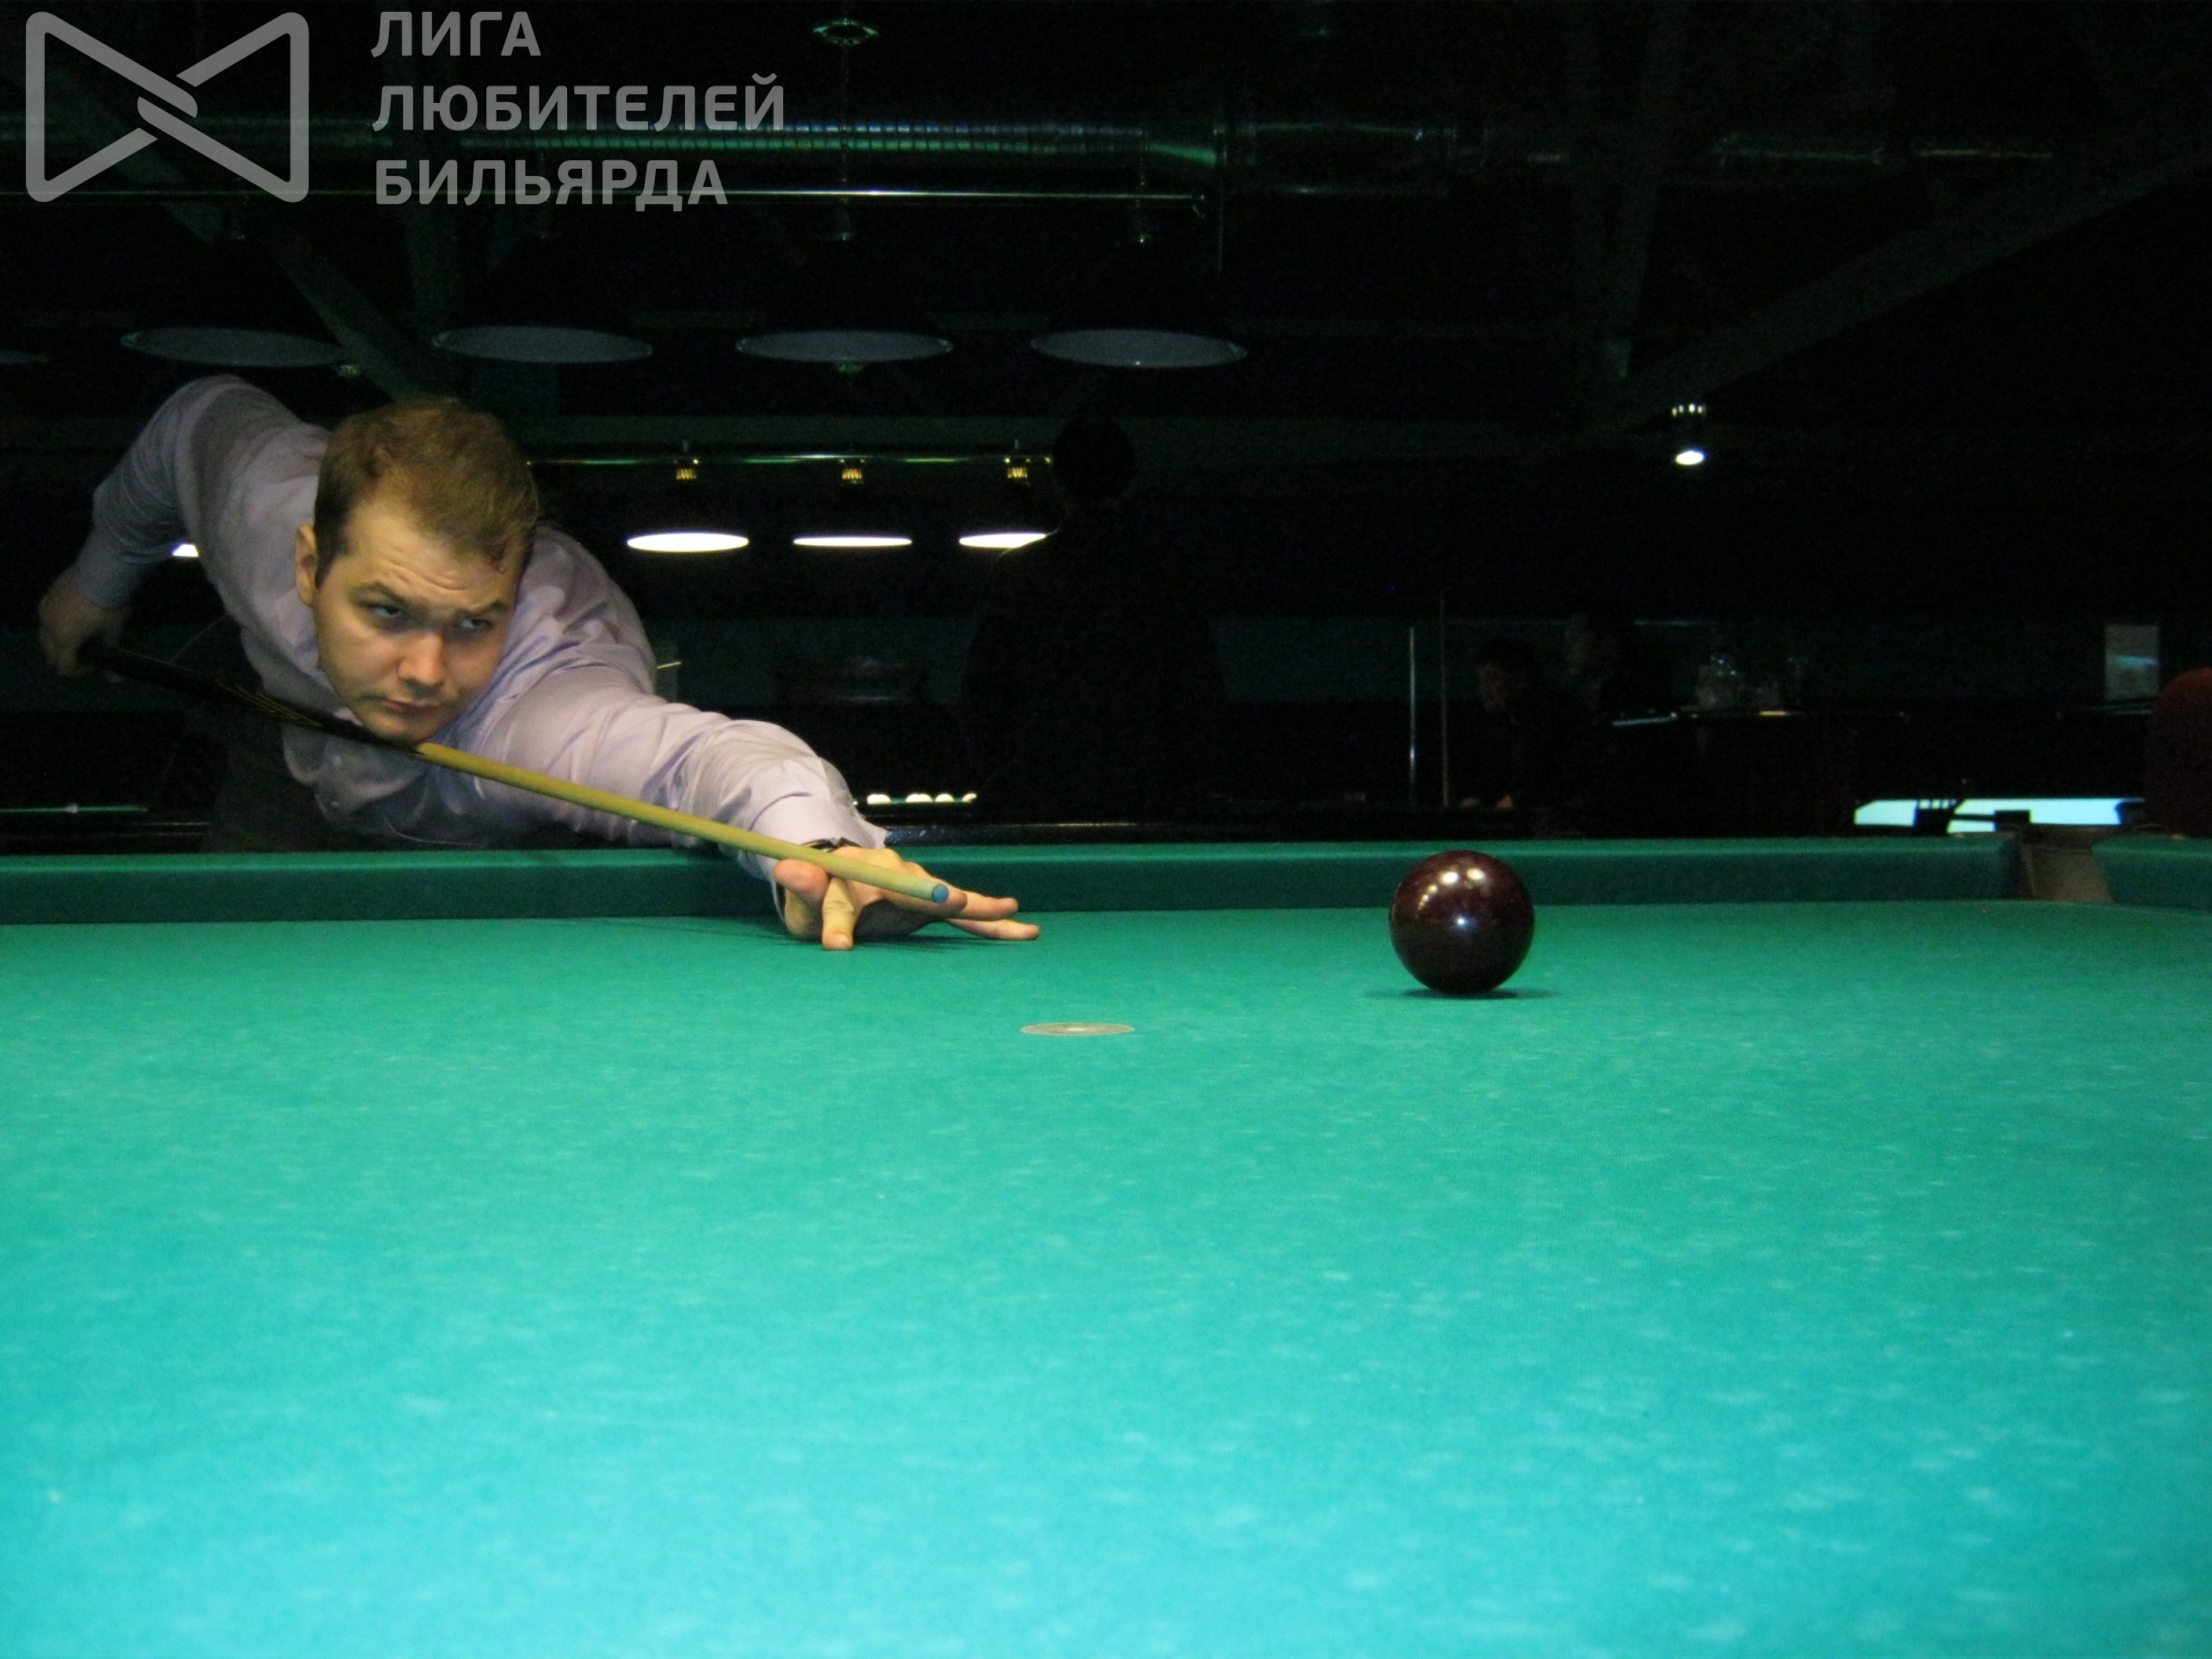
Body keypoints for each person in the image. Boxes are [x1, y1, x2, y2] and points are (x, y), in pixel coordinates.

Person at [36, 375, 1037, 950]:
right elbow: (192, 421)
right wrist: (93, 586)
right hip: (292, 757)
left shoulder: (544, 712)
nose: (424, 671)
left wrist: (816, 849)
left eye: (472, 623)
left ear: (511, 598)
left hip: (501, 825)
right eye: (385, 612)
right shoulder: (260, 509)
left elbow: (708, 762)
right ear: (308, 566)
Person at [959, 416, 1226, 819]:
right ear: (1132, 481)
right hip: (1147, 793)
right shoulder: (1167, 572)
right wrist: (1190, 787)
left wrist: (1001, 780)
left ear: (1057, 482)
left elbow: (982, 695)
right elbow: (1198, 693)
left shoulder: (1018, 572)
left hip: (1039, 792)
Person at [1459, 635, 1580, 811]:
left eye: (1493, 678)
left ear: (1520, 679)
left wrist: (1515, 801)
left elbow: (1558, 779)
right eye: (1481, 681)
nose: (1484, 689)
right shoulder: (1504, 726)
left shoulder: (1554, 719)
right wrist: (1480, 799)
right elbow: (1494, 777)